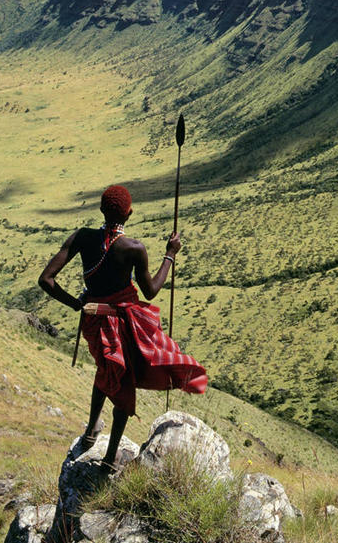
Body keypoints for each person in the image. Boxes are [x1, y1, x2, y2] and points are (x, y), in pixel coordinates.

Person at [38, 184, 207, 472]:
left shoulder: (82, 237)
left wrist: (76, 304)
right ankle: (109, 459)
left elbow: (46, 280)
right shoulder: (133, 249)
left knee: (106, 368)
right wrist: (170, 254)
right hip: (124, 324)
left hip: (93, 321)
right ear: (129, 213)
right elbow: (151, 290)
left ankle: (92, 429)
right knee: (121, 380)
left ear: (102, 210)